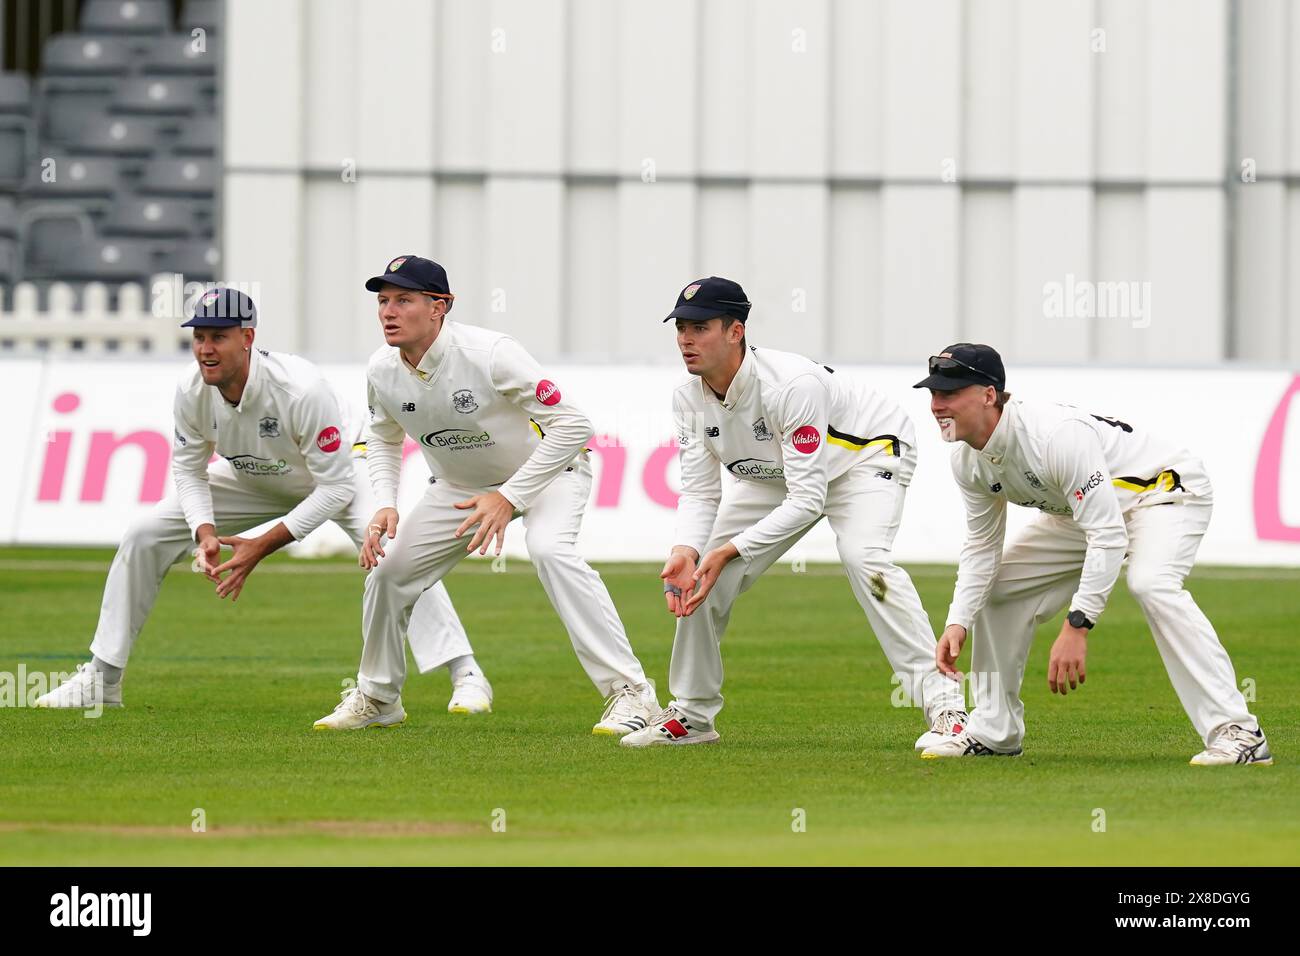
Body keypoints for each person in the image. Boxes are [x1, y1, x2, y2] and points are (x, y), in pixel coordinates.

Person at [35, 288, 488, 716]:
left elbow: (334, 489)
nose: (205, 349)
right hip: (251, 476)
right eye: (199, 337)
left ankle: (464, 672)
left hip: (337, 477)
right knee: (145, 534)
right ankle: (102, 677)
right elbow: (189, 470)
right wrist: (204, 530)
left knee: (391, 553)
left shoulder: (299, 388)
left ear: (248, 338)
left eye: (218, 337)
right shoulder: (193, 390)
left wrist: (260, 545)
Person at [313, 255, 659, 733]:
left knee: (549, 551)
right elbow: (382, 436)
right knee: (389, 577)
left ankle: (632, 695)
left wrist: (510, 497)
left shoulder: (491, 352)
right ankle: (378, 698)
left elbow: (575, 426)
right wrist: (386, 503)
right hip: (460, 486)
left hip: (549, 474)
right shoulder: (381, 369)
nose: (388, 312)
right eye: (383, 301)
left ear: (440, 307)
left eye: (404, 300)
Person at [620, 276, 967, 748]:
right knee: (698, 574)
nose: (686, 339)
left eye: (700, 327)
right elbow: (701, 492)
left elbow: (808, 502)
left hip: (865, 457)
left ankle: (947, 709)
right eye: (681, 327)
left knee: (866, 561)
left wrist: (727, 551)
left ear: (735, 331)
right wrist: (688, 549)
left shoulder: (791, 386)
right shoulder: (688, 399)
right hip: (779, 473)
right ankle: (693, 715)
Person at [914, 343, 1272, 765]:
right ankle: (995, 731)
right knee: (1000, 590)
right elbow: (981, 546)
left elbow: (1107, 534)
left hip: (1160, 492)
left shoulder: (1054, 436)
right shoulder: (967, 461)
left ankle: (1239, 731)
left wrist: (1077, 625)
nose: (937, 405)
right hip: (1085, 514)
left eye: (949, 394)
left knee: (1150, 583)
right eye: (934, 394)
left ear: (989, 395)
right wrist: (958, 620)